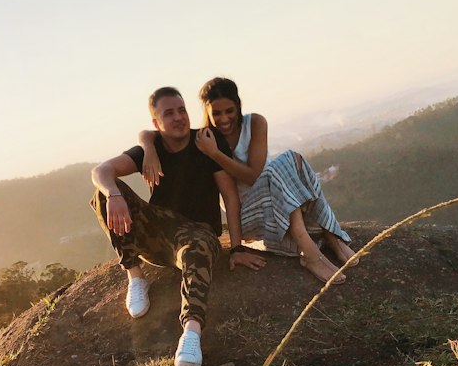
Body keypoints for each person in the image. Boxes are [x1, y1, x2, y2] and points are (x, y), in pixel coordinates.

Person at [91, 86, 265, 366]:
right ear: (156, 123)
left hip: (198, 233)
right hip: (159, 233)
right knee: (103, 192)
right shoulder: (152, 147)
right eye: (168, 113)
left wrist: (236, 248)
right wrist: (113, 194)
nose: (178, 118)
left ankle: (191, 334)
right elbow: (100, 171)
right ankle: (135, 277)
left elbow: (230, 197)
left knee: (196, 246)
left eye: (182, 110)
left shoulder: (206, 143)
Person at [140, 77, 356, 283]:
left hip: (276, 199)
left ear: (238, 106)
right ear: (207, 112)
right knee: (284, 162)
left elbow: (253, 174)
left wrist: (215, 154)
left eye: (229, 111)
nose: (224, 119)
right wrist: (149, 149)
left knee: (294, 160)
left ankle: (332, 237)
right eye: (217, 113)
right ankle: (310, 253)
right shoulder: (205, 139)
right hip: (246, 215)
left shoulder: (255, 123)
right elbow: (148, 133)